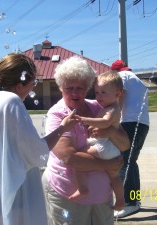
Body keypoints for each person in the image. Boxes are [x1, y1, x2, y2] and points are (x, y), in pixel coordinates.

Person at [0, 53, 79, 225]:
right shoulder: (10, 102)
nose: (33, 88)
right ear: (20, 85)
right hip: (13, 197)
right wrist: (63, 127)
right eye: (33, 83)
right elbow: (37, 153)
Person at [41, 55, 130, 225]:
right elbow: (69, 158)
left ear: (88, 87)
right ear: (60, 88)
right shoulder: (57, 115)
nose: (74, 93)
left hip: (102, 194)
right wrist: (107, 165)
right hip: (69, 194)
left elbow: (125, 145)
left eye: (80, 88)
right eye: (69, 88)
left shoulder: (98, 107)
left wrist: (110, 131)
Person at [68, 71, 125, 211]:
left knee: (78, 159)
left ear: (117, 94)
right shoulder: (108, 106)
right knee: (114, 177)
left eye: (103, 93)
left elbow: (105, 122)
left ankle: (82, 188)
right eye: (97, 92)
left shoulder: (112, 109)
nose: (99, 96)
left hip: (104, 146)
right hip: (108, 146)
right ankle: (121, 200)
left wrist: (85, 119)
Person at [111, 59, 150, 218]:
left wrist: (114, 118)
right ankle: (134, 200)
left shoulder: (122, 77)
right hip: (142, 124)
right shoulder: (138, 80)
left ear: (115, 71)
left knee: (124, 161)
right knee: (131, 161)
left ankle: (128, 202)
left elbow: (121, 95)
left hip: (129, 123)